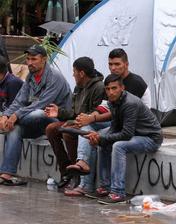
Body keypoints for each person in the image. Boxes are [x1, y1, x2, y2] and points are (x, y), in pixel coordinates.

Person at [64, 48, 152, 196]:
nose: (113, 68)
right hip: (118, 122)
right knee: (85, 127)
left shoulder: (135, 82)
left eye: (117, 64)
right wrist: (87, 117)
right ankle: (84, 171)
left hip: (135, 126)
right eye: (110, 64)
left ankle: (89, 181)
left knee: (96, 134)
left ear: (126, 64)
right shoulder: (112, 81)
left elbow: (120, 112)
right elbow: (105, 106)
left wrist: (92, 118)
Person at [68, 74, 163, 203]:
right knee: (104, 141)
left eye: (114, 88)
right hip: (136, 133)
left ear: (122, 88)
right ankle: (104, 187)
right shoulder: (113, 102)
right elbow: (114, 127)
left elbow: (126, 134)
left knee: (118, 146)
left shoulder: (130, 103)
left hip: (150, 137)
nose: (111, 92)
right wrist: (100, 139)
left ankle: (118, 192)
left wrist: (102, 138)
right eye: (108, 89)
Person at [0, 44, 72, 185]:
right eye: (28, 59)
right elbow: (19, 100)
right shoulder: (30, 76)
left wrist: (15, 116)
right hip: (32, 120)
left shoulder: (54, 77)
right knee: (15, 129)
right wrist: (6, 115)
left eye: (34, 59)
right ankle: (7, 175)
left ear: (44, 59)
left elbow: (42, 104)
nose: (30, 62)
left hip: (54, 120)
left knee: (38, 112)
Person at [44, 57, 105, 188]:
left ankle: (77, 174)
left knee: (68, 133)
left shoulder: (99, 87)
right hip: (77, 122)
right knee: (51, 129)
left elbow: (93, 114)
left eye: (74, 72)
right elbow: (74, 113)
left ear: (81, 73)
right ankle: (66, 171)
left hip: (91, 124)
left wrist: (71, 121)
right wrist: (59, 112)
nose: (73, 75)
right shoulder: (79, 87)